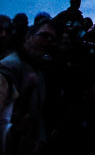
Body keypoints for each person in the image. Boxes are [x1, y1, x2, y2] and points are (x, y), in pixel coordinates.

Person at [0, 20, 59, 155]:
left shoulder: (38, 71)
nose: (49, 40)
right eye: (44, 35)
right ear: (28, 38)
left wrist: (40, 140)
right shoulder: (10, 66)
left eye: (52, 38)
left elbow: (38, 113)